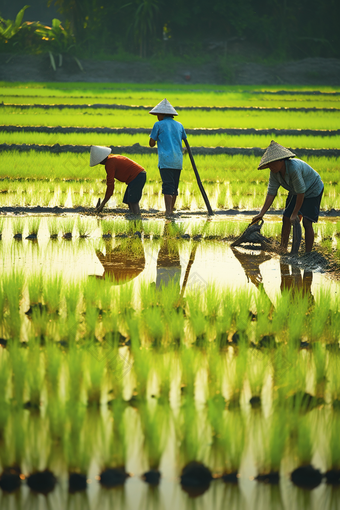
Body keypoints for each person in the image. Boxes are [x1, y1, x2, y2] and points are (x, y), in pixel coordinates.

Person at [252, 140, 324, 253]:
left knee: (306, 222)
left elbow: (301, 192)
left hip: (312, 189)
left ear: (281, 160)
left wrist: (295, 213)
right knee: (286, 217)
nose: (271, 166)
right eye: (269, 164)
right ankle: (283, 248)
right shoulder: (274, 172)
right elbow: (271, 193)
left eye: (273, 163)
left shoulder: (293, 169)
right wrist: (261, 214)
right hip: (296, 191)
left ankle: (308, 253)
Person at [149, 98, 187, 217]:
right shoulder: (179, 125)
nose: (157, 117)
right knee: (174, 186)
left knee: (167, 186)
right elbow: (185, 140)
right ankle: (171, 210)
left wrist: (156, 139)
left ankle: (168, 212)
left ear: (162, 114)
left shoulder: (158, 125)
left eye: (158, 115)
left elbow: (151, 143)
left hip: (165, 160)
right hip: (178, 160)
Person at [90, 145, 146, 215]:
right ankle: (133, 218)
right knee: (128, 200)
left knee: (133, 201)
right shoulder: (112, 158)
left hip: (137, 176)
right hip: (137, 176)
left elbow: (110, 185)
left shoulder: (109, 164)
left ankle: (137, 218)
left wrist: (102, 204)